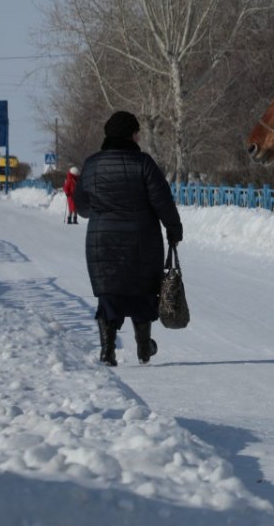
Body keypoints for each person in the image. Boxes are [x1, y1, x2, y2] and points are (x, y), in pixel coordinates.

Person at [75, 111, 183, 366]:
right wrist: (174, 229)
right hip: (142, 240)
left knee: (109, 294)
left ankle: (107, 350)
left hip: (102, 242)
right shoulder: (143, 163)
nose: (139, 138)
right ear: (130, 135)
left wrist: (101, 210)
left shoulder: (91, 164)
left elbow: (82, 207)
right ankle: (144, 347)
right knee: (143, 292)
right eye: (137, 133)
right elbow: (162, 201)